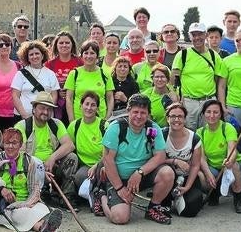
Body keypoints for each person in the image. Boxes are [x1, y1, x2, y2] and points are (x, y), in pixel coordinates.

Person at [94, 94, 174, 224]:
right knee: (120, 217)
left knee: (167, 173)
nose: (139, 116)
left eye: (143, 112)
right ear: (128, 111)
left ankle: (153, 208)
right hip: (118, 178)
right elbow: (108, 160)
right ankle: (101, 194)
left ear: (148, 114)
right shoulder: (116, 128)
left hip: (140, 177)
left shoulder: (152, 129)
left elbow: (160, 156)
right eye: (135, 112)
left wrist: (139, 172)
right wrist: (120, 188)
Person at [13, 92, 79, 210]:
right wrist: (40, 168)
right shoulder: (22, 126)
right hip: (30, 168)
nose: (46, 112)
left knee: (72, 157)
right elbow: (19, 155)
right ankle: (40, 195)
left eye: (49, 109)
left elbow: (69, 145)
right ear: (34, 109)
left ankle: (67, 197)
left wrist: (52, 157)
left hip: (51, 166)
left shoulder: (56, 124)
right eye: (42, 108)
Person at [172, 22, 228, 130]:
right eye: (194, 35)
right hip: (188, 102)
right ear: (189, 36)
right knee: (189, 133)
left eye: (200, 34)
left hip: (209, 101)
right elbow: (173, 80)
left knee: (208, 132)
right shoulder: (182, 55)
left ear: (206, 35)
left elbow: (220, 84)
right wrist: (177, 101)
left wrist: (222, 106)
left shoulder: (213, 55)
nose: (197, 37)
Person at [196, 99, 241, 213]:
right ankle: (215, 192)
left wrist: (229, 160)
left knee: (232, 165)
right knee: (201, 175)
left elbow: (231, 149)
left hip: (234, 167)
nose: (212, 115)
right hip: (214, 169)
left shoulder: (227, 127)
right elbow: (201, 158)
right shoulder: (200, 132)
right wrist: (208, 174)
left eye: (216, 112)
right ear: (203, 114)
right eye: (208, 112)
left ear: (221, 114)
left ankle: (238, 197)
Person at [162, 103, 203, 217]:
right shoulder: (161, 135)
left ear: (185, 119)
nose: (176, 119)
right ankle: (166, 198)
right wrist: (175, 161)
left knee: (191, 211)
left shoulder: (194, 138)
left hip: (185, 177)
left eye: (180, 116)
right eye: (173, 116)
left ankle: (178, 198)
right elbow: (155, 160)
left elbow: (195, 165)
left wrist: (187, 187)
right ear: (167, 118)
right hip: (166, 176)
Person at [66, 92, 106, 199]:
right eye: (86, 104)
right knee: (80, 177)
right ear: (81, 106)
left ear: (97, 108)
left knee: (103, 175)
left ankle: (98, 194)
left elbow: (111, 152)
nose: (89, 108)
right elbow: (67, 146)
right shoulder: (75, 125)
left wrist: (97, 165)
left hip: (103, 163)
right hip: (85, 166)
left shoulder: (104, 125)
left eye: (93, 105)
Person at [65, 40, 115, 122]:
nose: (89, 56)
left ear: (97, 56)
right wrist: (72, 120)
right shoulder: (74, 74)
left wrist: (107, 119)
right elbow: (69, 98)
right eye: (86, 53)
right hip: (79, 120)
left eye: (92, 53)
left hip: (100, 119)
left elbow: (110, 98)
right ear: (81, 56)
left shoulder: (105, 74)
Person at [12, 41, 59, 121]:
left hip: (45, 117)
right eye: (31, 54)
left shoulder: (50, 74)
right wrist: (24, 115)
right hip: (23, 118)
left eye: (37, 53)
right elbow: (15, 96)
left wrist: (47, 112)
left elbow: (54, 95)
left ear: (42, 55)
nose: (34, 56)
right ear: (27, 58)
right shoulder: (20, 74)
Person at [45, 31, 83, 124]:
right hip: (56, 106)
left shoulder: (80, 62)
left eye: (67, 43)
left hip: (76, 104)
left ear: (72, 45)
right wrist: (57, 92)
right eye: (61, 43)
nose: (64, 45)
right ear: (56, 45)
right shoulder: (49, 64)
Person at [0, 34, 20, 131]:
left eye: (7, 44)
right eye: (0, 45)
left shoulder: (19, 66)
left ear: (11, 47)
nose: (4, 47)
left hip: (15, 113)